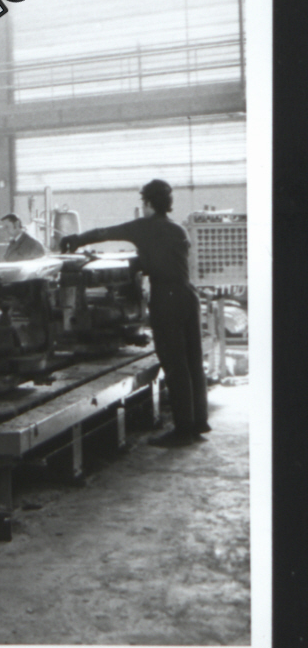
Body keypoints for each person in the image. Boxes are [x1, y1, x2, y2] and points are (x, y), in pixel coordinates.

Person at [61, 179, 209, 447]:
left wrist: (76, 240)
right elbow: (165, 259)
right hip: (188, 296)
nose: (143, 207)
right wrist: (143, 261)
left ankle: (183, 431)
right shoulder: (178, 229)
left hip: (167, 299)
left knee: (174, 364)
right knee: (193, 362)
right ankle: (199, 422)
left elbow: (106, 232)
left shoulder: (143, 227)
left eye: (144, 202)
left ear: (149, 204)